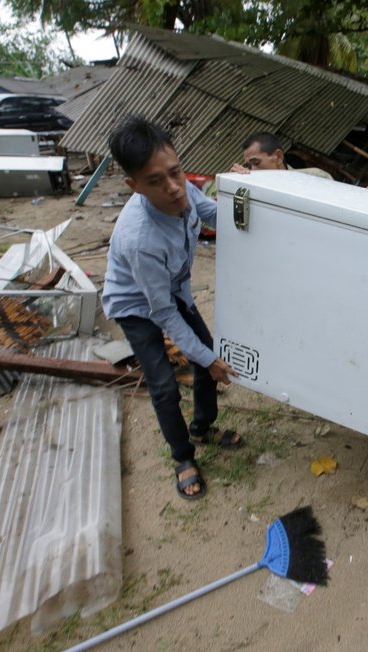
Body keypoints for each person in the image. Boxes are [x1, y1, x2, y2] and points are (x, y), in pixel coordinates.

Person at [102, 115, 241, 501]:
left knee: (206, 357)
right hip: (137, 305)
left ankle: (201, 427)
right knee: (164, 385)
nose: (173, 188)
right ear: (134, 186)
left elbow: (211, 214)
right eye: (155, 181)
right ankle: (183, 457)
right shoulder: (139, 240)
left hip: (172, 288)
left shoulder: (182, 189)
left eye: (175, 172)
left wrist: (259, 218)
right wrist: (207, 358)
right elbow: (160, 312)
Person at [229, 131, 368, 193]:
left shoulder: (316, 178)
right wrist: (232, 188)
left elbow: (342, 207)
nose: (253, 169)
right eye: (249, 165)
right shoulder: (248, 189)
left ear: (278, 156)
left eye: (256, 162)